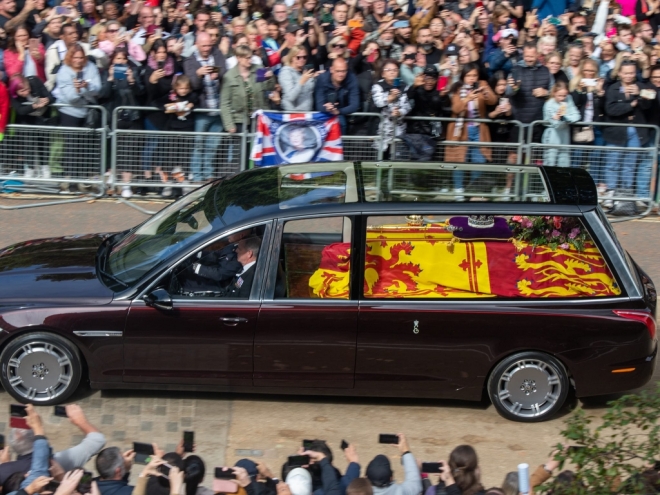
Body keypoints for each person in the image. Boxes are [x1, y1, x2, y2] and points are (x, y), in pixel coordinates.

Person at [0, 404, 105, 485]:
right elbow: (97, 440)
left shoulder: (5, 471)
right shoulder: (58, 462)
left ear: (13, 446)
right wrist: (80, 421)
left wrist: (5, 466)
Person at [604, 59, 655, 214]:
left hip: (636, 132)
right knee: (613, 164)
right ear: (620, 73)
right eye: (626, 73)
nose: (628, 75)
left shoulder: (640, 87)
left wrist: (640, 95)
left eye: (632, 73)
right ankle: (610, 194)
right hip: (617, 133)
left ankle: (625, 195)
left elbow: (648, 107)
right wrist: (631, 105)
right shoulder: (613, 89)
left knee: (630, 165)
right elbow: (611, 110)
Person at [446, 62, 497, 198]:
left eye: (474, 75)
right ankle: (459, 191)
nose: (472, 78)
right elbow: (456, 108)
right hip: (461, 131)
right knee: (459, 160)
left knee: (478, 161)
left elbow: (493, 101)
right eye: (469, 75)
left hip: (478, 130)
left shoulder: (482, 85)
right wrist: (468, 98)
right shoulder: (458, 88)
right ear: (463, 76)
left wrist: (485, 91)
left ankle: (475, 191)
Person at [55, 43, 101, 193]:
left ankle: (82, 179)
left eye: (81, 57)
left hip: (87, 111)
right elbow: (70, 98)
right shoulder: (63, 72)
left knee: (85, 146)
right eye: (75, 57)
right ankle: (71, 180)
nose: (79, 60)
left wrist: (86, 87)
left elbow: (98, 88)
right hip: (69, 111)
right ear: (70, 57)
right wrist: (77, 90)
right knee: (72, 146)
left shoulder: (91, 67)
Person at [98, 48, 144, 198]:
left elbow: (141, 93)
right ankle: (112, 180)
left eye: (124, 59)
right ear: (112, 61)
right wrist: (110, 79)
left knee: (129, 152)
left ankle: (126, 185)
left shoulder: (134, 72)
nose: (121, 62)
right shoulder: (106, 74)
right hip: (114, 117)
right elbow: (102, 95)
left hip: (132, 117)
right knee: (114, 150)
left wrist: (132, 81)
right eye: (118, 59)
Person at [220, 44, 274, 167]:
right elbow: (225, 102)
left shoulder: (258, 69)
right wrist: (229, 124)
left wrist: (270, 78)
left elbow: (268, 87)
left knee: (260, 152)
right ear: (238, 58)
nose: (250, 60)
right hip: (239, 120)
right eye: (246, 58)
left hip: (259, 119)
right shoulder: (229, 76)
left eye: (250, 57)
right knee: (241, 154)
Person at [184, 31, 226, 183]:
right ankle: (197, 176)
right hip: (202, 110)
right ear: (197, 45)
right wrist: (198, 74)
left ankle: (208, 175)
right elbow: (191, 84)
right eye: (204, 46)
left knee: (212, 146)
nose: (207, 48)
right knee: (199, 145)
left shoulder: (217, 54)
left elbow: (223, 70)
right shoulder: (190, 61)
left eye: (209, 45)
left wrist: (217, 73)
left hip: (218, 108)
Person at [8, 73, 53, 178]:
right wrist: (35, 105)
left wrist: (46, 100)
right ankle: (30, 168)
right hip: (26, 120)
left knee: (43, 143)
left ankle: (45, 167)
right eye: (21, 91)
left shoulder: (35, 81)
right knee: (28, 144)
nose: (26, 92)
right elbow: (20, 110)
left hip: (42, 118)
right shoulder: (12, 93)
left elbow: (50, 96)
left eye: (26, 89)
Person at [507, 42, 550, 144]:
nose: (529, 59)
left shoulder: (546, 71)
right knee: (515, 156)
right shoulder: (515, 70)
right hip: (518, 122)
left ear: (537, 55)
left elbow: (554, 92)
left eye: (531, 56)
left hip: (538, 123)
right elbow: (508, 92)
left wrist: (546, 92)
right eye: (526, 56)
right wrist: (513, 89)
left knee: (534, 156)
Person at [371, 59, 411, 154]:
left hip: (399, 129)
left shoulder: (404, 86)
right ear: (383, 73)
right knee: (379, 159)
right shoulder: (378, 86)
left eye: (395, 70)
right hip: (382, 129)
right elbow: (378, 102)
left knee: (396, 158)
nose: (392, 72)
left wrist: (400, 112)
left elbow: (408, 106)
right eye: (388, 70)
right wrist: (390, 98)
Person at [314, 57, 360, 133]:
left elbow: (354, 105)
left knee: (341, 123)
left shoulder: (352, 79)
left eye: (344, 71)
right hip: (324, 113)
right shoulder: (322, 78)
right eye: (338, 71)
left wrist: (338, 111)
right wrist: (326, 108)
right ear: (331, 69)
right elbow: (318, 104)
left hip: (342, 113)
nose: (341, 74)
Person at [542, 81, 580, 167]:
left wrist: (564, 117)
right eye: (559, 95)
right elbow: (555, 124)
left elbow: (577, 115)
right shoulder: (549, 104)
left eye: (564, 95)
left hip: (565, 133)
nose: (562, 98)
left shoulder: (569, 99)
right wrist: (560, 119)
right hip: (552, 134)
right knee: (550, 161)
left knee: (564, 160)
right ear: (554, 93)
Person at [279, 44, 316, 111]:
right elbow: (290, 97)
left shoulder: (305, 70)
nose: (302, 59)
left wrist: (315, 78)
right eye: (298, 57)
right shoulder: (286, 72)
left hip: (307, 115)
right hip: (293, 115)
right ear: (292, 58)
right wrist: (302, 81)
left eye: (304, 57)